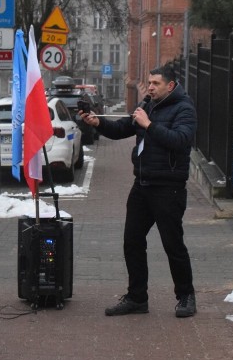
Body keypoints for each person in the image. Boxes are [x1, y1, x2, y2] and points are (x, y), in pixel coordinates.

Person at [80, 65, 198, 318]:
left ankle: (186, 296)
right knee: (132, 242)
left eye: (155, 83)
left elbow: (180, 140)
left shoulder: (184, 109)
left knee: (173, 245)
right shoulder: (149, 106)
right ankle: (137, 298)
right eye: (150, 82)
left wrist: (150, 124)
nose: (150, 87)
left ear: (171, 86)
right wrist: (97, 122)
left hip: (168, 188)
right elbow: (122, 128)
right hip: (142, 186)